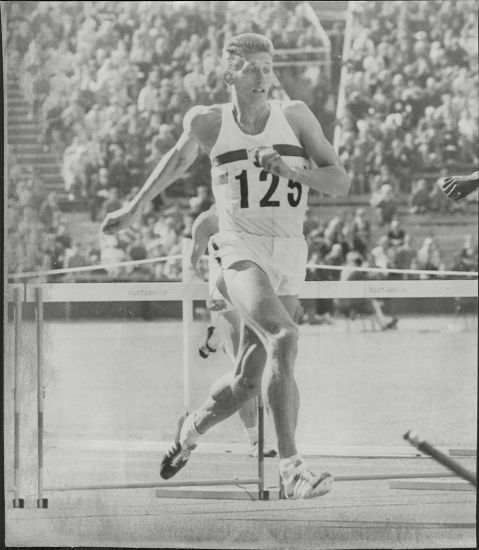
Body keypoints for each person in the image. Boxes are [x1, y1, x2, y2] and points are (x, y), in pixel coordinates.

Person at [102, 33, 350, 500]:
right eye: (252, 68)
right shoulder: (209, 123)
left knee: (246, 381)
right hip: (238, 247)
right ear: (229, 76)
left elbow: (339, 180)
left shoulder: (295, 116)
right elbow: (175, 161)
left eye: (268, 67)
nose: (262, 77)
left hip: (289, 252)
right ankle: (291, 466)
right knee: (286, 336)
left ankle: (189, 432)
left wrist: (293, 172)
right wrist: (134, 208)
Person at [188, 204, 277, 458]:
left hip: (248, 292)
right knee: (245, 369)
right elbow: (193, 264)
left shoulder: (258, 213)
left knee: (261, 364)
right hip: (222, 295)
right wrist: (212, 302)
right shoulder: (206, 220)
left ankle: (214, 337)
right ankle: (255, 442)